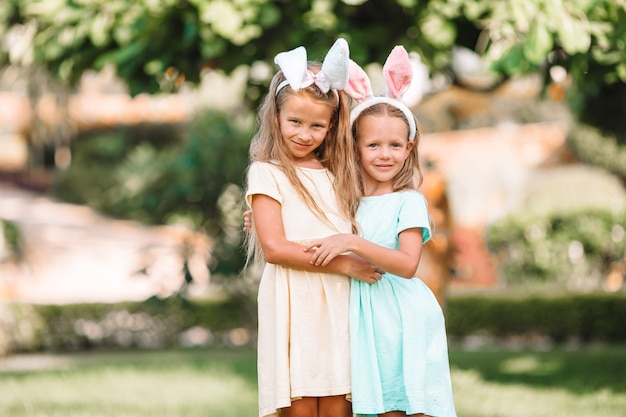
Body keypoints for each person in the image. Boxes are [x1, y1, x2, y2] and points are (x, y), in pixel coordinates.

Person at [304, 46, 458, 417]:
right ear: (354, 148)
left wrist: (353, 242)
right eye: (373, 144)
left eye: (394, 145)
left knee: (408, 405)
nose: (384, 154)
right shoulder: (346, 199)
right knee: (379, 406)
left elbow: (407, 264)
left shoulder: (409, 202)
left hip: (402, 316)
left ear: (409, 148)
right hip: (363, 316)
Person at [243, 38, 383, 417]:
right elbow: (275, 248)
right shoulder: (266, 172)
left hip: (339, 303)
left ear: (332, 125)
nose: (305, 134)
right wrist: (345, 264)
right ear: (276, 117)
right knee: (301, 406)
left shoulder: (341, 174)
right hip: (295, 301)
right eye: (295, 122)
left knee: (339, 406)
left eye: (317, 125)